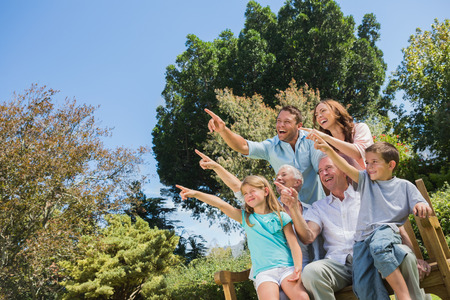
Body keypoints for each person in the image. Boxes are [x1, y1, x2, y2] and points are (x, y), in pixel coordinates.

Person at [275, 155, 431, 300]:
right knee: (311, 272)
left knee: (405, 256)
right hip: (338, 265)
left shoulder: (366, 197)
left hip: (371, 260)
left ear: (344, 170)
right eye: (320, 171)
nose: (324, 174)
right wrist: (294, 208)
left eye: (328, 168)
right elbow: (308, 237)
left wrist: (417, 257)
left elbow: (398, 229)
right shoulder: (319, 207)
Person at [176, 175, 310, 300]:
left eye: (252, 191)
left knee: (302, 297)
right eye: (245, 193)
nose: (248, 195)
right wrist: (195, 193)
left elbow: (294, 245)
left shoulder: (282, 216)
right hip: (264, 273)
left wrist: (297, 269)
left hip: (287, 268)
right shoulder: (246, 218)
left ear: (266, 191)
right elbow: (221, 204)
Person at [195, 149, 313, 266]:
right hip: (268, 270)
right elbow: (238, 187)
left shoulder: (312, 210)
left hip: (301, 267)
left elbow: (307, 238)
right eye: (277, 176)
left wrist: (293, 207)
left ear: (297, 182)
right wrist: (216, 167)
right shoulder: (264, 206)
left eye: (284, 174)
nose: (278, 178)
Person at [205, 105, 324, 205]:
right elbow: (244, 146)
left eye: (287, 122)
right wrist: (223, 130)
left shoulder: (311, 140)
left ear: (299, 126)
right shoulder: (270, 146)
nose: (280, 125)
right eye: (278, 121)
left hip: (318, 207)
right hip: (289, 211)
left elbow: (323, 169)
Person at [301, 99, 373, 168]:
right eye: (316, 115)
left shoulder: (360, 128)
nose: (319, 116)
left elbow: (358, 154)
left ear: (336, 111)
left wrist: (326, 138)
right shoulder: (327, 145)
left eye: (323, 111)